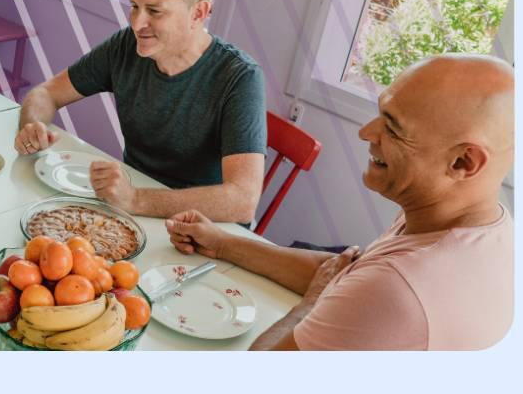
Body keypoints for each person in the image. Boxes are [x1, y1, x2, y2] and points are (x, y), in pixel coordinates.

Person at [166, 54, 513, 350]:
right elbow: (346, 274)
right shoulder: (478, 222)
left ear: (463, 162)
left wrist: (311, 304)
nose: (366, 132)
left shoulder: (400, 286)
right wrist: (224, 243)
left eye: (392, 129)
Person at [15, 0, 266, 223]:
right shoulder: (126, 45)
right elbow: (46, 93)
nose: (137, 23)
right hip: (131, 213)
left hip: (203, 230)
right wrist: (31, 126)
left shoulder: (240, 77)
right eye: (135, 6)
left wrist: (135, 198)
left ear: (198, 13)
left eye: (155, 11)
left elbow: (243, 200)